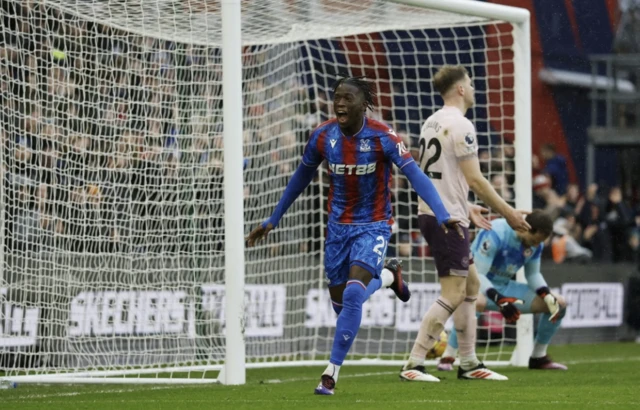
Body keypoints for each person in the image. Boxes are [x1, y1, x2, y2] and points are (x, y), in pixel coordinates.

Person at [246, 76, 460, 395]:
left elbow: (415, 174)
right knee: (342, 305)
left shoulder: (383, 137)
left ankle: (330, 374)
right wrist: (274, 218)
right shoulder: (322, 136)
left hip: (373, 225)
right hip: (336, 229)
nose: (340, 103)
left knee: (352, 295)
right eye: (337, 97)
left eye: (348, 98)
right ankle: (389, 277)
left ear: (364, 105)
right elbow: (301, 177)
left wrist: (442, 213)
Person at [400, 65, 530, 382]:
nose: (473, 88)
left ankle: (469, 362)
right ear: (460, 89)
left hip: (437, 211)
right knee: (455, 292)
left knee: (471, 285)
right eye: (470, 83)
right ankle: (414, 363)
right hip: (446, 220)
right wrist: (509, 212)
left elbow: (437, 175)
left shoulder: (432, 121)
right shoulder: (462, 125)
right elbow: (476, 178)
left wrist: (467, 204)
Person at [437, 210, 568, 371]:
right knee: (477, 301)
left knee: (559, 303)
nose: (535, 245)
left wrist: (546, 294)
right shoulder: (496, 231)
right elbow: (478, 275)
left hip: (504, 288)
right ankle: (448, 356)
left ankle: (538, 357)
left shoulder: (537, 243)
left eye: (538, 242)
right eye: (534, 241)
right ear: (526, 228)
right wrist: (499, 299)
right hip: (472, 285)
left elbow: (533, 274)